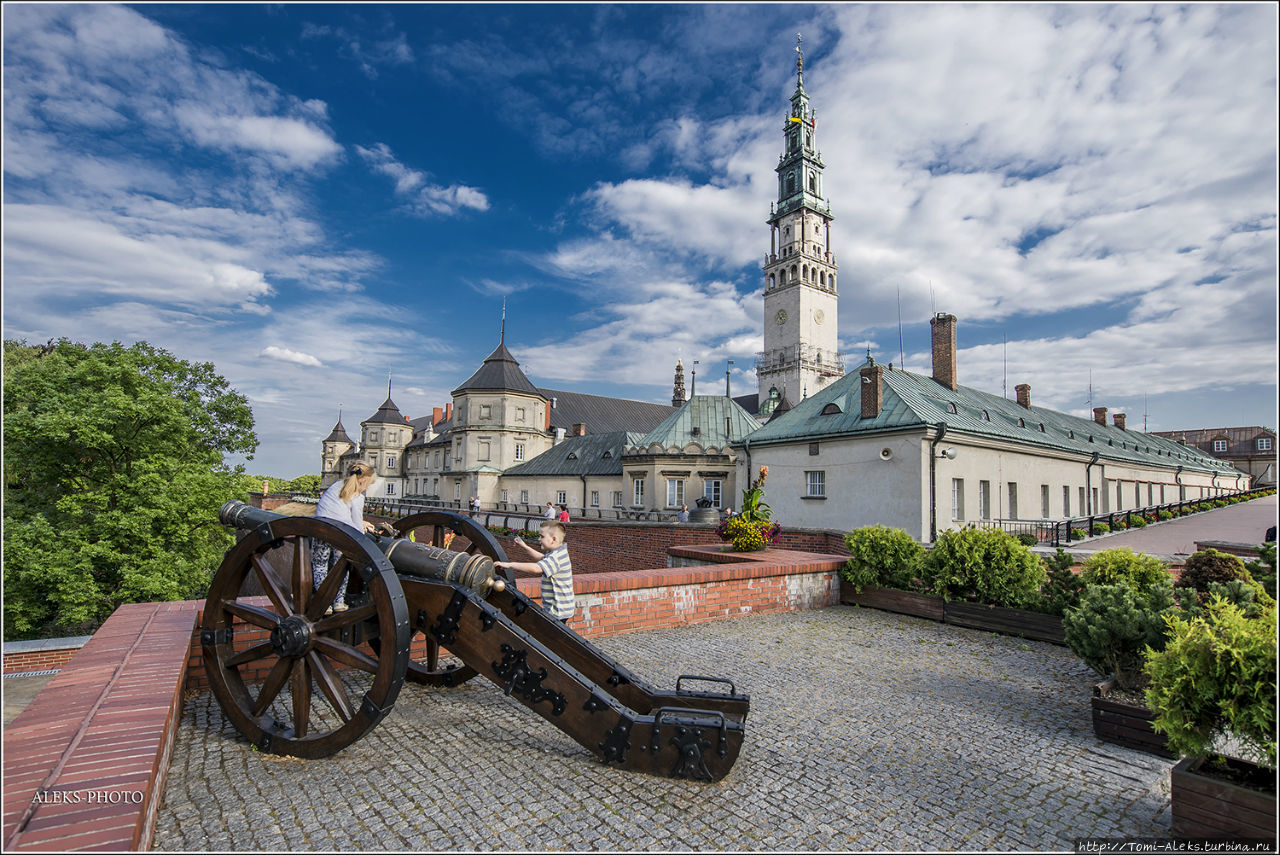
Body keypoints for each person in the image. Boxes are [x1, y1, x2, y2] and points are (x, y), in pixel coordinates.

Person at [312, 462, 377, 613]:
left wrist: (361, 522)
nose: (367, 488)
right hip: (342, 534)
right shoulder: (358, 497)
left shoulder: (336, 486)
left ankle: (325, 603)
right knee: (341, 567)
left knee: (320, 565)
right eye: (369, 484)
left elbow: (336, 511)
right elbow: (356, 525)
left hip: (322, 528)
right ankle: (339, 603)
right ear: (363, 481)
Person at [495, 521, 574, 622]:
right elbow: (541, 558)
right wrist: (524, 546)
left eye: (542, 536)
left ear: (554, 539)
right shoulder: (557, 552)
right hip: (560, 609)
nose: (539, 539)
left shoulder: (557, 557)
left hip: (558, 610)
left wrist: (510, 564)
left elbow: (536, 568)